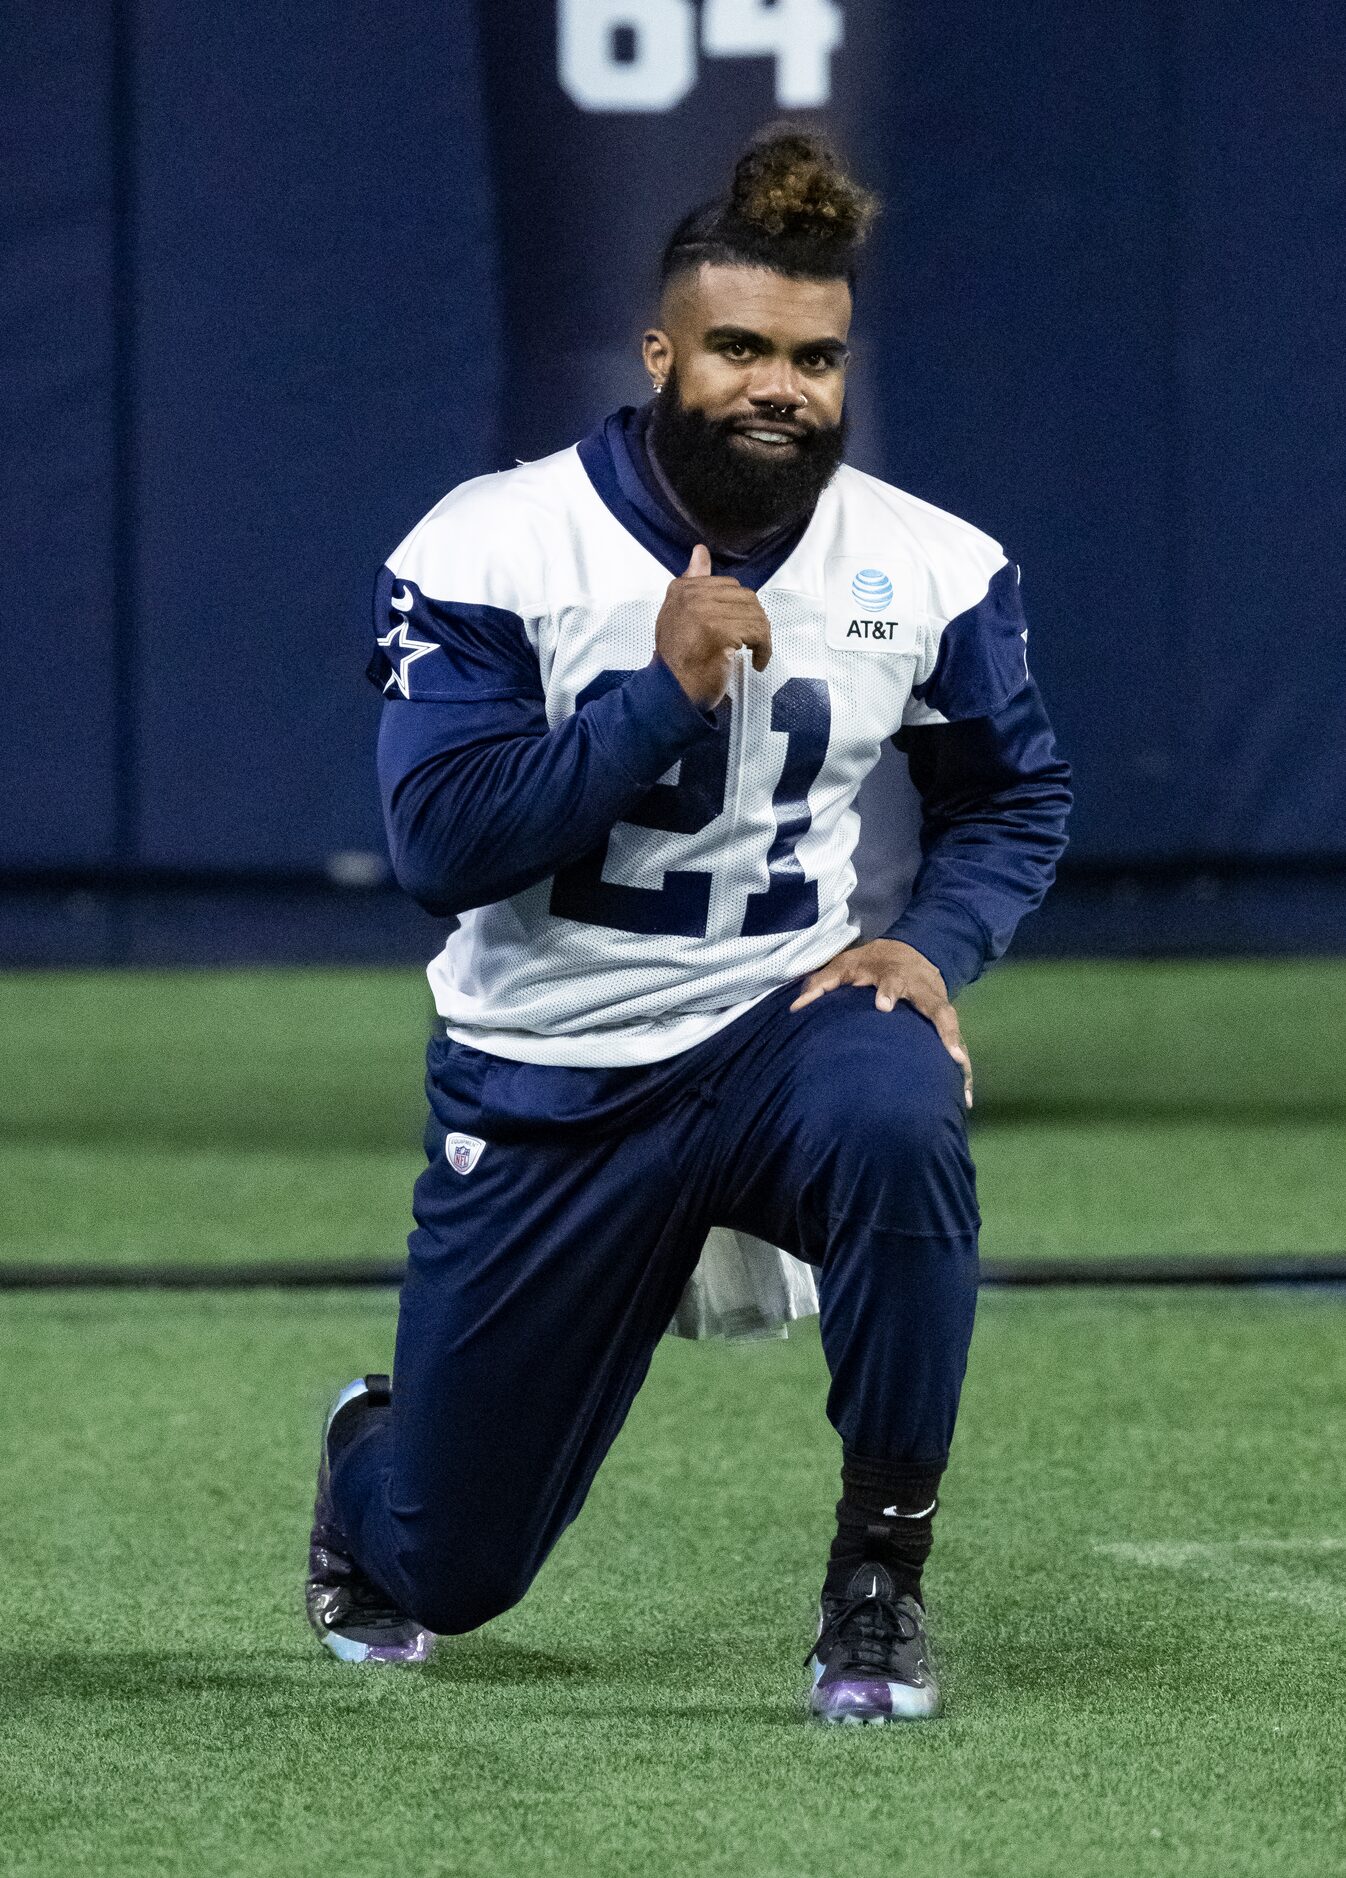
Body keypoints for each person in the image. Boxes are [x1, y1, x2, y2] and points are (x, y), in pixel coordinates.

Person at [306, 126, 1072, 1723]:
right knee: (452, 1568)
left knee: (900, 1099)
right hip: (547, 1077)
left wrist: (932, 945)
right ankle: (373, 1454)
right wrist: (657, 694)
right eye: (737, 349)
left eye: (812, 356)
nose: (775, 385)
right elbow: (440, 842)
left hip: (770, 1036)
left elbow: (1012, 795)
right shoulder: (492, 542)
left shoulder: (929, 562)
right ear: (661, 353)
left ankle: (877, 1575)